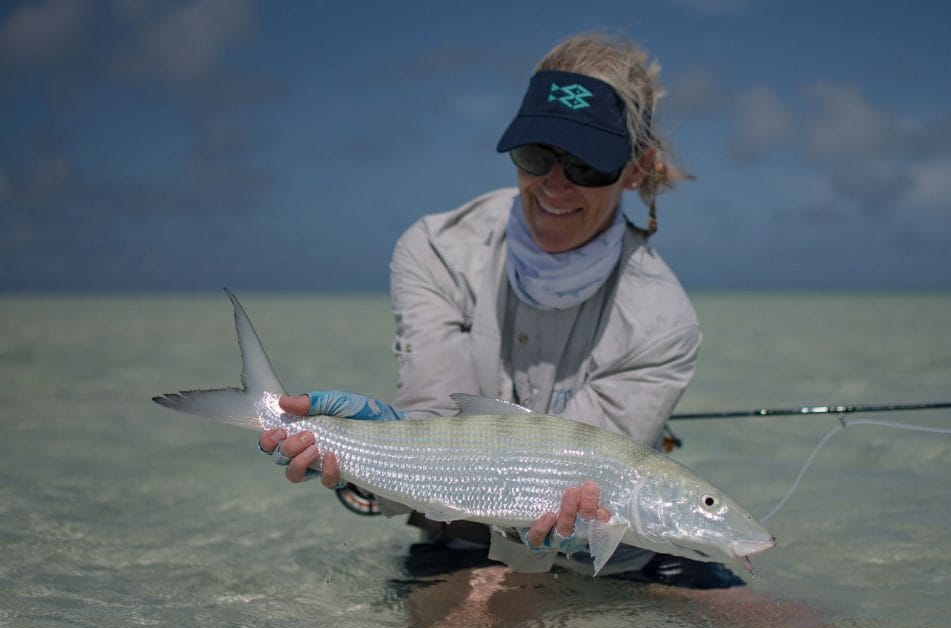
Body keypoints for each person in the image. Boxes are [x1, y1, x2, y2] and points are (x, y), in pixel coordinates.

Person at [258, 33, 710, 580]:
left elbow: (572, 501)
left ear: (637, 169)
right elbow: (434, 432)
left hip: (601, 554)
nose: (555, 185)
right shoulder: (435, 251)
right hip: (457, 538)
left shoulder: (664, 321)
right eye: (536, 155)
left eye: (588, 165)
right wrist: (367, 455)